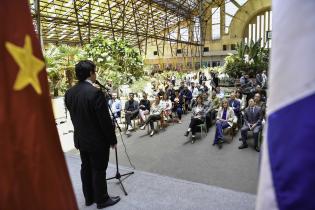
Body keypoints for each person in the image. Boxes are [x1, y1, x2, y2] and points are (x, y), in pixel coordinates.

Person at [65, 60, 120, 209]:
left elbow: (74, 117)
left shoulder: (69, 93)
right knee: (99, 169)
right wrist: (112, 139)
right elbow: (104, 121)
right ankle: (102, 199)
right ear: (91, 73)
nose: (96, 74)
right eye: (95, 71)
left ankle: (89, 198)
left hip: (81, 139)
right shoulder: (95, 93)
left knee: (86, 167)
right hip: (97, 141)